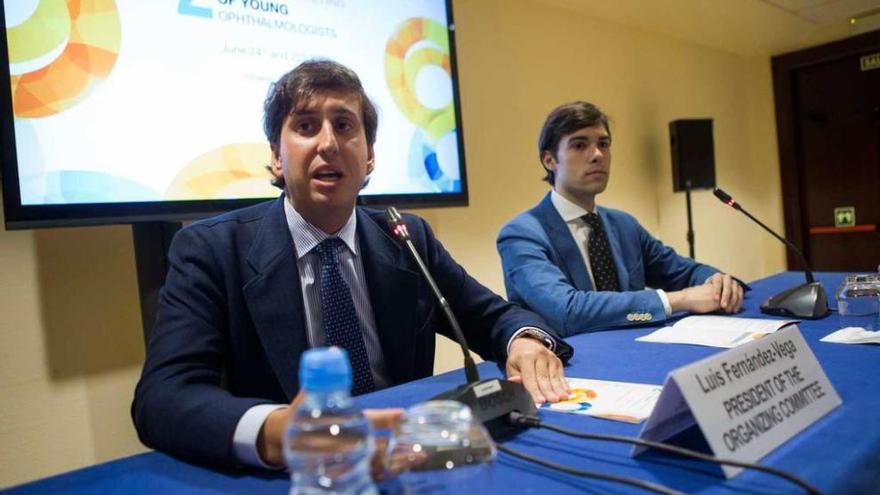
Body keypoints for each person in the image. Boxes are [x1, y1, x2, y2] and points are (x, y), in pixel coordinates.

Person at [132, 60, 572, 471]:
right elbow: (163, 397)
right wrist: (277, 433)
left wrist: (524, 342)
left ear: (369, 157)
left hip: (406, 462)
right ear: (277, 157)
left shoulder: (407, 238)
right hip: (300, 477)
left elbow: (493, 317)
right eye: (305, 127)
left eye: (344, 126)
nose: (327, 143)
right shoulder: (211, 249)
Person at [497, 101, 744, 337]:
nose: (597, 155)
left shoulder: (623, 225)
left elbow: (681, 272)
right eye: (580, 145)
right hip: (570, 368)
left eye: (603, 144)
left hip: (635, 354)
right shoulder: (521, 234)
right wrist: (677, 300)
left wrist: (716, 281)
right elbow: (567, 312)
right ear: (549, 160)